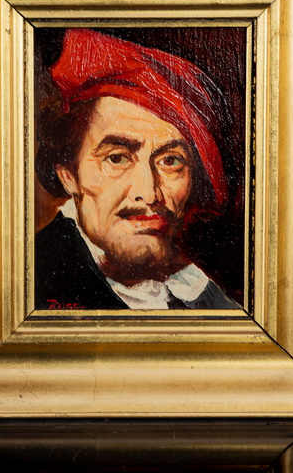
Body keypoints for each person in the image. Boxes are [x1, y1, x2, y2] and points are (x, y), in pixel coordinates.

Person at [34, 29, 242, 310]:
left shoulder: (201, 289)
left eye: (170, 161)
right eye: (117, 158)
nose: (149, 193)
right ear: (69, 175)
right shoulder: (33, 278)